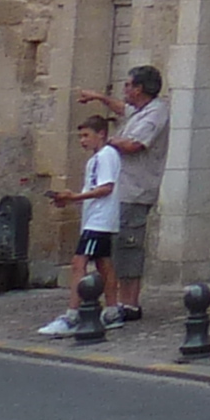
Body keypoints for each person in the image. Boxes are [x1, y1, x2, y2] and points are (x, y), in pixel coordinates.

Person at [69, 66, 166, 323]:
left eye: (128, 85)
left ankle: (129, 304)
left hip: (135, 190)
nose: (124, 90)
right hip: (121, 192)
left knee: (128, 246)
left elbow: (134, 144)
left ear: (139, 89)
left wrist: (103, 140)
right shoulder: (140, 110)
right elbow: (122, 109)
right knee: (114, 248)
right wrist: (98, 98)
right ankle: (115, 302)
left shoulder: (156, 113)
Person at [39, 108, 120, 337]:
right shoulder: (97, 159)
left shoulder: (106, 156)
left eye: (86, 136)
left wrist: (74, 197)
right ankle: (113, 311)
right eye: (81, 137)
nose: (83, 141)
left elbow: (106, 188)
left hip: (99, 221)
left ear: (101, 134)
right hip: (96, 219)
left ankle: (72, 314)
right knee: (103, 263)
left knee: (78, 263)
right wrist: (71, 199)